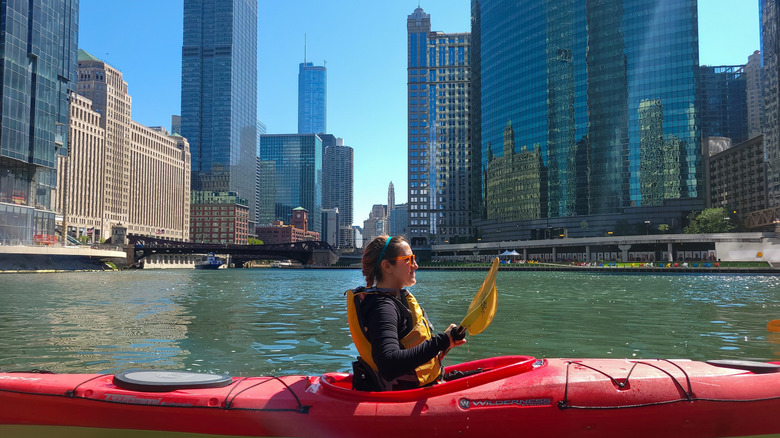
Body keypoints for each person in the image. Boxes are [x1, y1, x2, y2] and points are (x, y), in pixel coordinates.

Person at [346, 235, 466, 391]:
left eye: (413, 258)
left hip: (426, 383)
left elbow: (408, 350)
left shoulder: (396, 298)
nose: (415, 265)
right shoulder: (383, 307)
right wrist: (442, 341)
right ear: (387, 266)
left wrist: (447, 343)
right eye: (408, 259)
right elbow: (388, 365)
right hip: (405, 395)